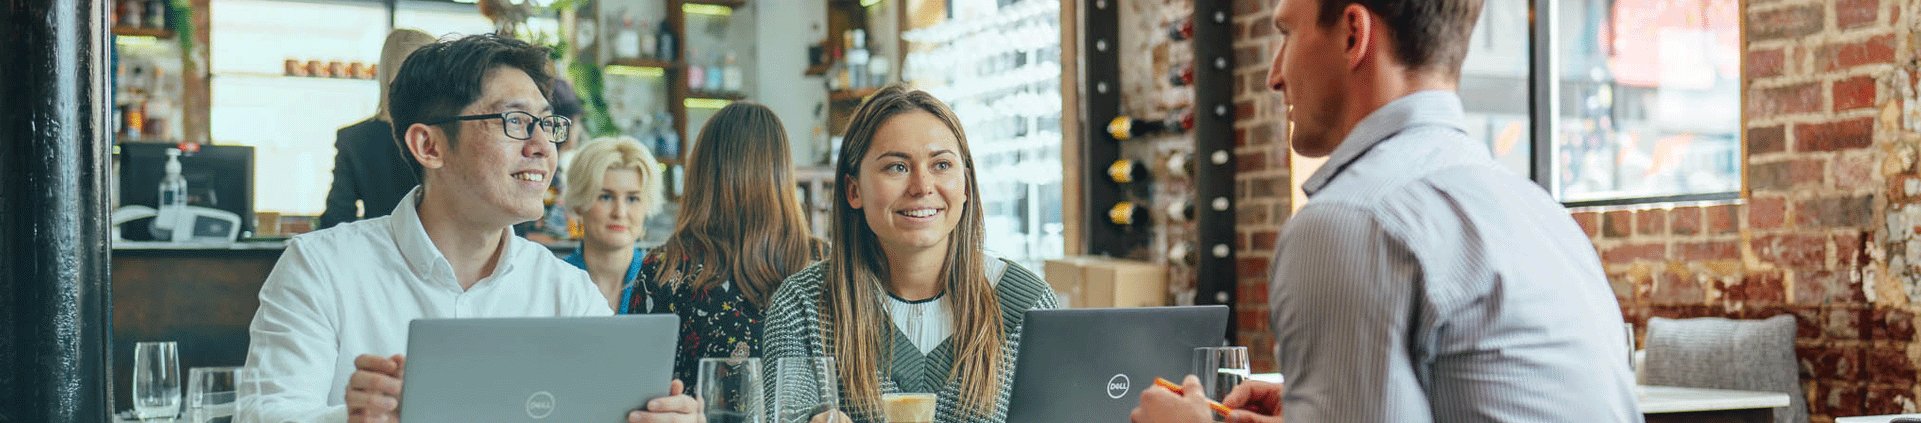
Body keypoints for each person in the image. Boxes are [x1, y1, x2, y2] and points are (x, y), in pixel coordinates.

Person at [1130, 0, 1640, 422]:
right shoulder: (1541, 214)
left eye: (1287, 33)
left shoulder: (1351, 222)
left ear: (1353, 34)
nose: (1274, 74)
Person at [236, 34, 699, 423]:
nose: (543, 146)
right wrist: (348, 417)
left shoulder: (565, 291)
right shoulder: (321, 269)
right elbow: (263, 413)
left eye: (546, 123)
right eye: (516, 121)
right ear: (429, 145)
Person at [762, 85, 1058, 423]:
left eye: (942, 164)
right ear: (853, 190)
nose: (922, 186)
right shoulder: (801, 308)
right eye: (896, 167)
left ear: (965, 185)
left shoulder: (1028, 307)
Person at [629, 102, 825, 390]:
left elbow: (637, 392)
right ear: (782, 173)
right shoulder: (824, 263)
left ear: (702, 173)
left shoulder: (665, 269)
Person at [318, 28, 435, 230]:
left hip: (379, 253)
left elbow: (336, 218)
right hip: (442, 253)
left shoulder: (354, 138)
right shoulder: (445, 134)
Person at [558, 136, 664, 312]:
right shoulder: (553, 281)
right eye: (605, 197)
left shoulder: (664, 283)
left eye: (632, 198)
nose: (620, 212)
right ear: (579, 203)